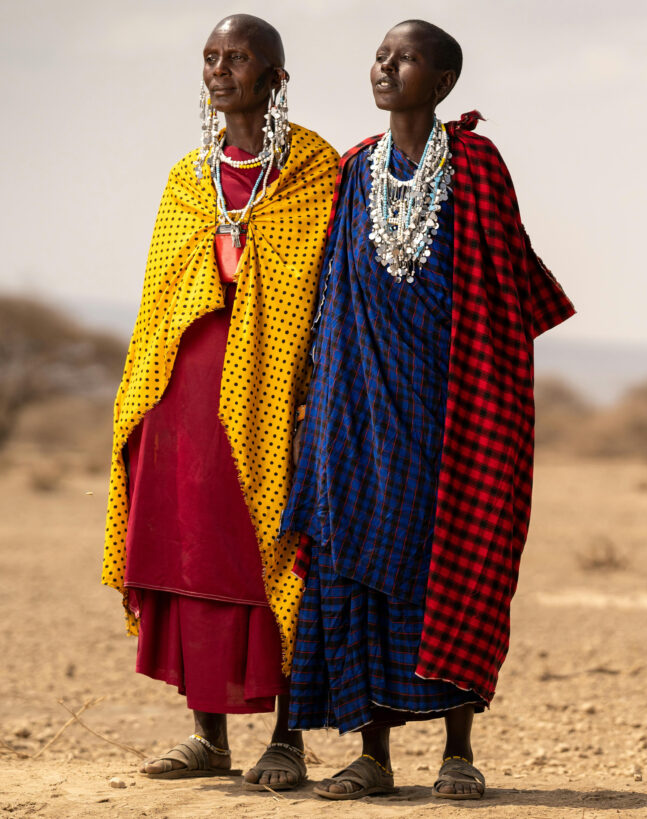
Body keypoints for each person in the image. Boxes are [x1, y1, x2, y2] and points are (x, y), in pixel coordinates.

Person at [280, 19, 575, 801]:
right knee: (352, 563)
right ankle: (370, 753)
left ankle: (458, 750)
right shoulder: (355, 169)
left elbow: (503, 283)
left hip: (451, 407)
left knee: (450, 560)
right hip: (354, 410)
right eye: (381, 55)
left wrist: (490, 394)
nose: (384, 67)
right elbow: (333, 288)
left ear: (441, 83)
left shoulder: (476, 165)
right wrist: (315, 402)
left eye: (404, 58)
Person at [101, 14, 339, 791]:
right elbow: (161, 297)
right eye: (210, 57)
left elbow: (331, 291)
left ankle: (288, 739)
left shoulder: (314, 169)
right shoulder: (187, 177)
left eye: (238, 57)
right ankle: (207, 736)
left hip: (276, 391)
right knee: (191, 553)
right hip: (183, 394)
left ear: (275, 75)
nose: (219, 69)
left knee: (276, 553)